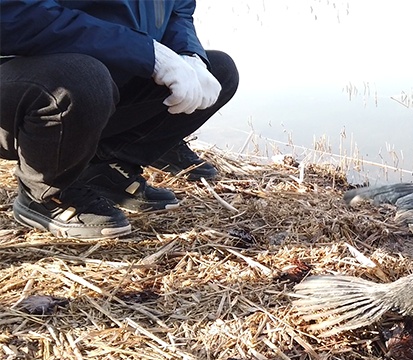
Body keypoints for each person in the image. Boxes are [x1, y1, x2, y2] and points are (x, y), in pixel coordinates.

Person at [0, 0, 239, 239]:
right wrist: (146, 53)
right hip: (18, 75)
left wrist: (189, 53)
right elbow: (12, 14)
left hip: (102, 71)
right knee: (84, 80)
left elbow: (179, 11)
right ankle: (43, 194)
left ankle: (107, 168)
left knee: (219, 71)